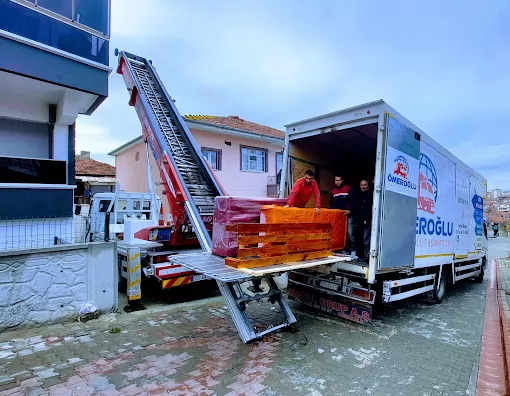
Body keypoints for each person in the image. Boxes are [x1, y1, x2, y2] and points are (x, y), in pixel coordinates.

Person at [330, 175, 355, 255]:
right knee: (339, 233)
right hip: (338, 216)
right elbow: (332, 204)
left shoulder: (348, 189)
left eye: (339, 180)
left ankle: (353, 250)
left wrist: (350, 210)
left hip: (348, 215)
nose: (338, 182)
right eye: (336, 180)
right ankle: (341, 250)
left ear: (343, 180)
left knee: (350, 233)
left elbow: (353, 201)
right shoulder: (332, 191)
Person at [351, 179, 373, 261]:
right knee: (359, 239)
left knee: (366, 240)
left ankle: (366, 256)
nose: (363, 186)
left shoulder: (371, 195)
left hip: (367, 221)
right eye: (361, 185)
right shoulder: (358, 196)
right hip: (359, 221)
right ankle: (360, 255)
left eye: (365, 185)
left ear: (368, 185)